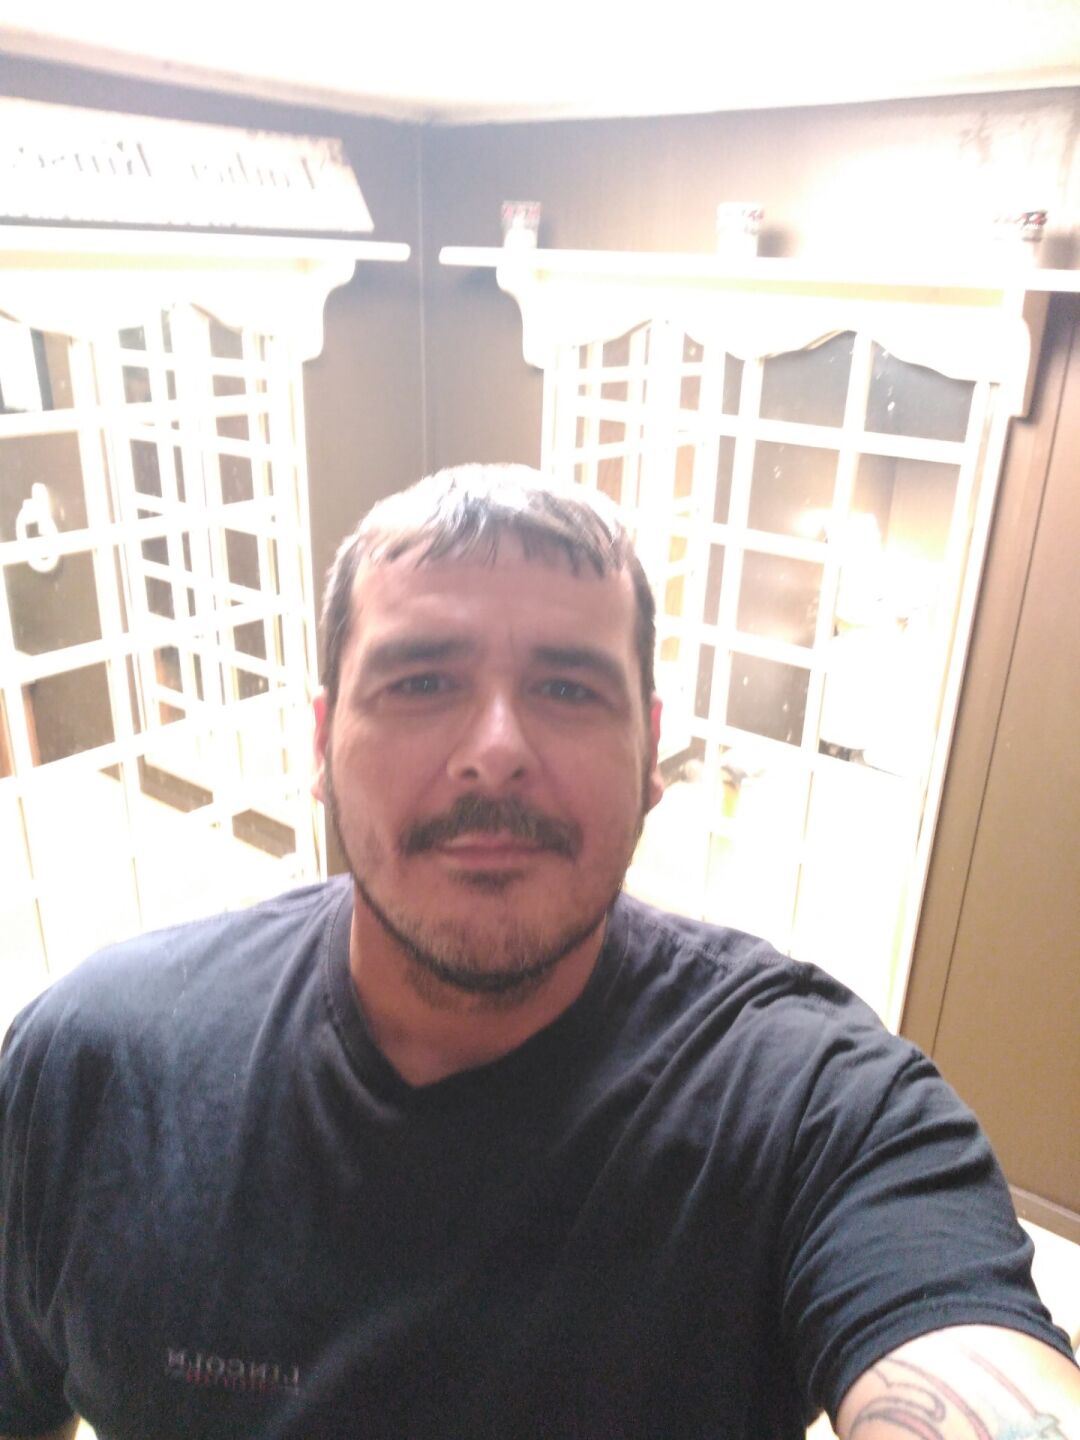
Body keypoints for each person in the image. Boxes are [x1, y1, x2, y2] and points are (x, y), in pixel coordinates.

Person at [0, 464, 1076, 1440]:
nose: (496, 753)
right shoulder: (91, 1070)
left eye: (567, 689)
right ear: (322, 743)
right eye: (421, 682)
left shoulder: (818, 1112)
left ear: (651, 754)